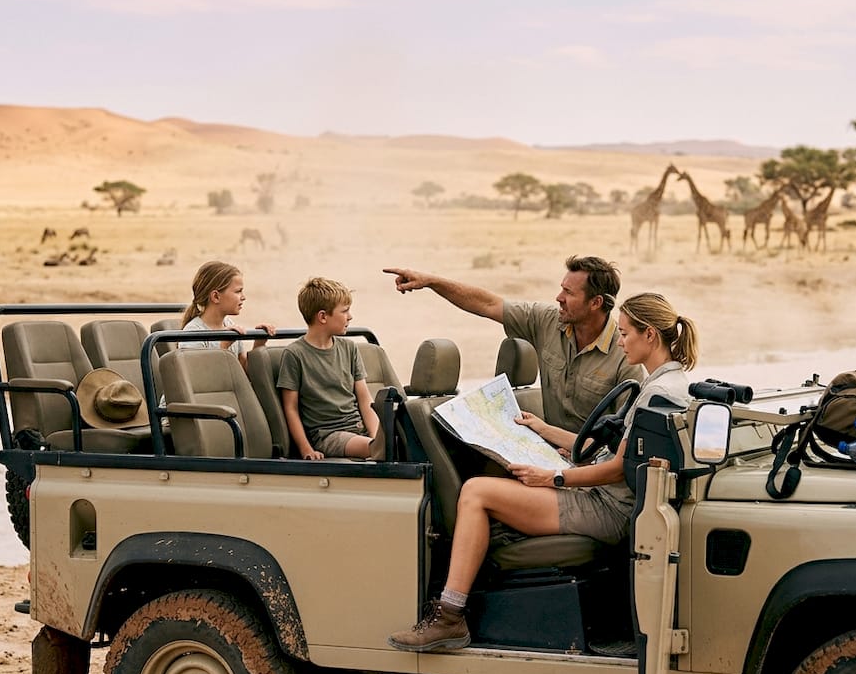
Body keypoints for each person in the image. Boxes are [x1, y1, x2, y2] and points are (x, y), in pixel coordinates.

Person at [387, 292, 698, 652]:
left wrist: (553, 477)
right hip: (620, 502)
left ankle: (450, 617)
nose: (620, 341)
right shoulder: (675, 383)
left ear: (650, 336)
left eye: (626, 333)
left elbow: (616, 470)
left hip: (612, 509)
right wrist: (543, 430)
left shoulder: (655, 392)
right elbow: (612, 452)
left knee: (475, 491)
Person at [384, 255, 644, 434]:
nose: (558, 298)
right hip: (550, 449)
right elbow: (488, 304)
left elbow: (626, 432)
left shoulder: (625, 353)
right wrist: (431, 281)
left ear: (596, 303)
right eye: (561, 288)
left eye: (569, 293)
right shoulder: (547, 321)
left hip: (591, 460)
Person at [277, 277, 381, 460]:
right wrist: (306, 449)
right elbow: (290, 409)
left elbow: (365, 400)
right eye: (345, 311)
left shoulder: (350, 348)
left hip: (358, 429)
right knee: (383, 447)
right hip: (327, 435)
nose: (350, 316)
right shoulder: (294, 355)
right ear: (323, 316)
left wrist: (377, 438)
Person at [180, 260, 275, 369]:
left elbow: (243, 370)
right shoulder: (193, 333)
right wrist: (223, 345)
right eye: (238, 291)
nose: (243, 297)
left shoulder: (229, 324)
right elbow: (201, 377)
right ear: (216, 296)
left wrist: (259, 343)